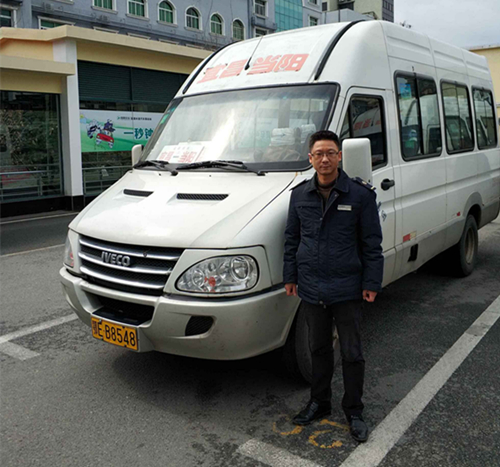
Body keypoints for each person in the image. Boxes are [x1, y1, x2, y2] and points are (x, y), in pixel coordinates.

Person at [283, 130, 383, 443]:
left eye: (330, 153)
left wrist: (371, 282)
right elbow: (292, 239)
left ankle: (354, 410)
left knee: (351, 352)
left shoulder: (360, 196)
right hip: (311, 287)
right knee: (318, 349)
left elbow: (371, 243)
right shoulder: (299, 195)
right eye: (319, 154)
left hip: (347, 287)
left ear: (339, 156)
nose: (324, 159)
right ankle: (319, 402)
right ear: (311, 159)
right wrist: (290, 277)